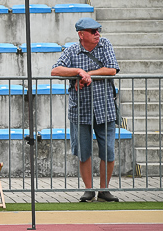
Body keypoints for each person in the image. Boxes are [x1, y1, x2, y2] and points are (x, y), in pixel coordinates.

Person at [51, 17, 120, 202]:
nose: (97, 34)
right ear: (81, 35)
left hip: (105, 107)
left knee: (109, 151)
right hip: (80, 110)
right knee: (84, 152)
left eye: (98, 30)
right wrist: (78, 71)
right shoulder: (72, 50)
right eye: (93, 31)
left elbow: (112, 69)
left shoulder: (105, 44)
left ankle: (104, 190)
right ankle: (89, 190)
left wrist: (87, 74)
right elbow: (55, 70)